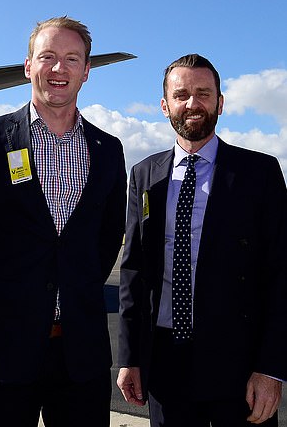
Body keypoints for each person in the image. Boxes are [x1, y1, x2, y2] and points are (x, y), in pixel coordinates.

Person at [0, 16, 127, 427]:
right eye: (47, 56)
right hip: (1, 351)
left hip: (81, 356)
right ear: (28, 65)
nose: (58, 68)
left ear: (87, 71)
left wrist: (76, 285)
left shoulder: (108, 149)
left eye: (71, 59)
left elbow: (107, 237)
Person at [117, 54, 287, 426]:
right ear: (165, 106)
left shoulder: (259, 173)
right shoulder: (144, 174)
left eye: (203, 93)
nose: (192, 103)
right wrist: (129, 357)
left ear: (220, 103)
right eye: (181, 95)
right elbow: (133, 271)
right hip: (165, 361)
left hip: (239, 365)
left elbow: (281, 275)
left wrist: (271, 369)